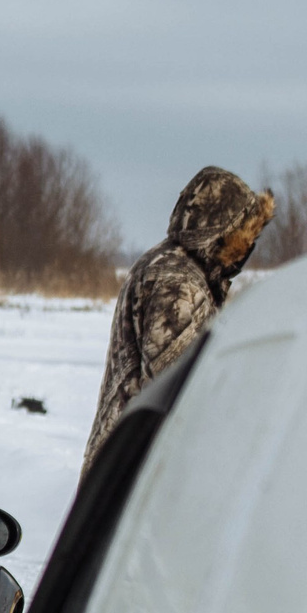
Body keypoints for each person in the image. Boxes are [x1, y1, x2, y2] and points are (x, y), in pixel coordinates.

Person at [83, 165, 275, 470]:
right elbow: (180, 390)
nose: (249, 247)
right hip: (136, 470)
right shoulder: (178, 282)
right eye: (247, 234)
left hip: (128, 460)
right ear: (226, 233)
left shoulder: (172, 264)